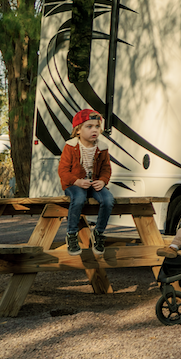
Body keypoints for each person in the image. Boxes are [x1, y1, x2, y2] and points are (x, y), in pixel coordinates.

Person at [58, 108, 114, 255]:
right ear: (78, 130)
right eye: (89, 127)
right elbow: (63, 171)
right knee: (79, 198)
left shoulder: (102, 148)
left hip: (93, 184)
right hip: (74, 185)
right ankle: (71, 234)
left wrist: (102, 181)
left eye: (97, 126)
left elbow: (106, 169)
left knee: (108, 199)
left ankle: (99, 233)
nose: (94, 130)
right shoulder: (70, 147)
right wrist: (76, 181)